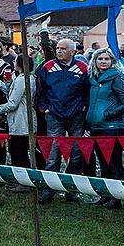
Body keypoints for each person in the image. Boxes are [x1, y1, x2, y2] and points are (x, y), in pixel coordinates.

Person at [36, 38, 90, 204]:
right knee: (53, 153)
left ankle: (70, 189)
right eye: (58, 48)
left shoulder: (83, 68)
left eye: (63, 48)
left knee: (76, 153)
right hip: (54, 114)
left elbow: (88, 89)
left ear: (73, 52)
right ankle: (49, 189)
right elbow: (40, 90)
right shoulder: (47, 67)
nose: (59, 51)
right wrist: (44, 107)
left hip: (76, 115)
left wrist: (84, 105)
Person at [85, 48, 124, 209]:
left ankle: (116, 198)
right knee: (103, 162)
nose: (103, 61)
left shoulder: (115, 78)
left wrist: (108, 114)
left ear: (112, 61)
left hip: (112, 126)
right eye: (100, 59)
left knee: (114, 162)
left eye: (107, 59)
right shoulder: (92, 78)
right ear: (95, 61)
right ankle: (105, 195)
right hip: (96, 126)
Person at [0, 54, 40, 192]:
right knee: (18, 151)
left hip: (21, 121)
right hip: (22, 120)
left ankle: (24, 183)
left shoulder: (22, 80)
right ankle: (21, 181)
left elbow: (13, 103)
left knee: (19, 152)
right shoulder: (25, 78)